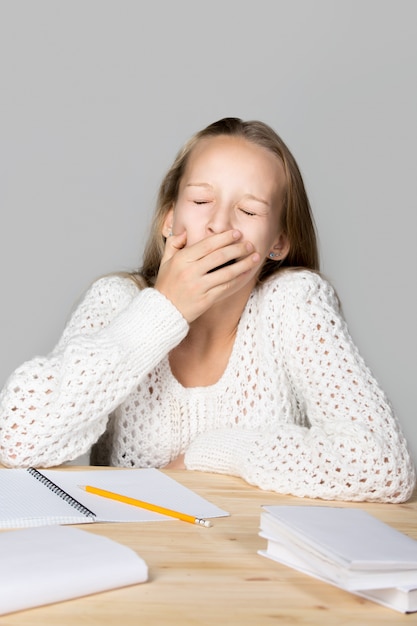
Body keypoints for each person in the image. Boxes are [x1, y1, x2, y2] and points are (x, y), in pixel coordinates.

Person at [0, 117, 415, 503]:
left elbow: (383, 466)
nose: (219, 224)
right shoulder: (116, 301)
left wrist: (208, 455)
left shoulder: (294, 302)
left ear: (278, 242)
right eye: (201, 201)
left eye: (249, 211)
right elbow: (17, 439)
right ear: (168, 220)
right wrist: (164, 310)